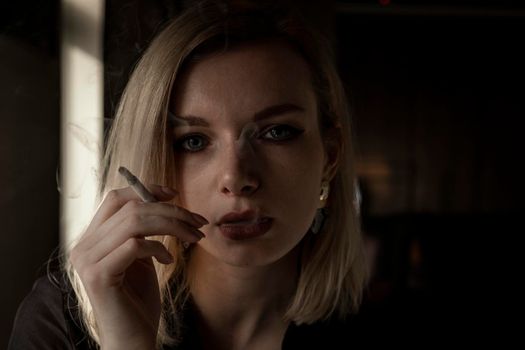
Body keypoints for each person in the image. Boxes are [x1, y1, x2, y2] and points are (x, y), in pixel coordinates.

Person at [9, 1, 368, 349]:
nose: (236, 177)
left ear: (329, 157)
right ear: (155, 156)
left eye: (276, 132)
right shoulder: (60, 323)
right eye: (194, 141)